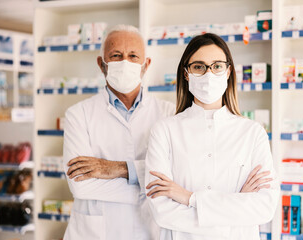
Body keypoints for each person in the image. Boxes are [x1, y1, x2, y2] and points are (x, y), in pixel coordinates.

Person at [145, 33, 280, 240]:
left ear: (228, 72)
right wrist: (234, 211)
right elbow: (162, 212)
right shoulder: (164, 131)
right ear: (186, 73)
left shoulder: (253, 133)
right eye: (199, 66)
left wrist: (189, 198)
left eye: (217, 66)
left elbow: (264, 208)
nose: (208, 73)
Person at [62, 25, 176, 240]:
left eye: (133, 56)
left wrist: (114, 168)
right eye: (116, 55)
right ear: (101, 64)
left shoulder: (169, 113)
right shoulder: (78, 115)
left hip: (148, 231)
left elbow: (176, 174)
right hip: (94, 233)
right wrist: (150, 187)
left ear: (146, 64)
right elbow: (81, 187)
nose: (125, 62)